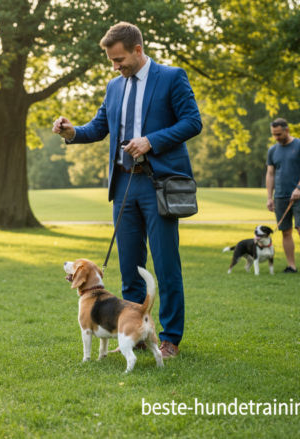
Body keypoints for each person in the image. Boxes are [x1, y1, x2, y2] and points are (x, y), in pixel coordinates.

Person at [52, 22, 201, 359]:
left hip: (159, 184)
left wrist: (151, 141)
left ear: (137, 50)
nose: (115, 66)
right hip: (123, 184)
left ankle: (170, 339)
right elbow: (100, 126)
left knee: (165, 265)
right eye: (110, 61)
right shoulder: (114, 86)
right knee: (131, 264)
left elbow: (193, 121)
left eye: (118, 59)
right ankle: (132, 331)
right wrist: (72, 131)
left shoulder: (172, 77)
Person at [266, 118, 300, 275]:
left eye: (279, 134)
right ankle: (291, 266)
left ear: (287, 130)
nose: (276, 137)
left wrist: (299, 187)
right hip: (280, 196)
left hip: (299, 195)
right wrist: (269, 197)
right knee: (285, 231)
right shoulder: (272, 150)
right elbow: (270, 174)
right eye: (274, 134)